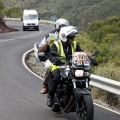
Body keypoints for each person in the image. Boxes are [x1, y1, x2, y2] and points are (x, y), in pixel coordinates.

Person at [47, 26, 83, 107]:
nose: (73, 39)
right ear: (64, 37)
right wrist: (55, 60)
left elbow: (81, 53)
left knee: (81, 77)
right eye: (71, 38)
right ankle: (50, 96)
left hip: (72, 66)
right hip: (59, 66)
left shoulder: (74, 44)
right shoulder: (56, 44)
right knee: (56, 77)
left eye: (73, 37)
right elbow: (51, 54)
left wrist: (88, 58)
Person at [35, 18, 69, 94]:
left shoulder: (68, 36)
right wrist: (47, 43)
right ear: (57, 27)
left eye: (66, 27)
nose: (64, 28)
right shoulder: (49, 35)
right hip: (51, 59)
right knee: (48, 67)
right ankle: (45, 85)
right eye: (62, 26)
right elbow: (40, 48)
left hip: (65, 59)